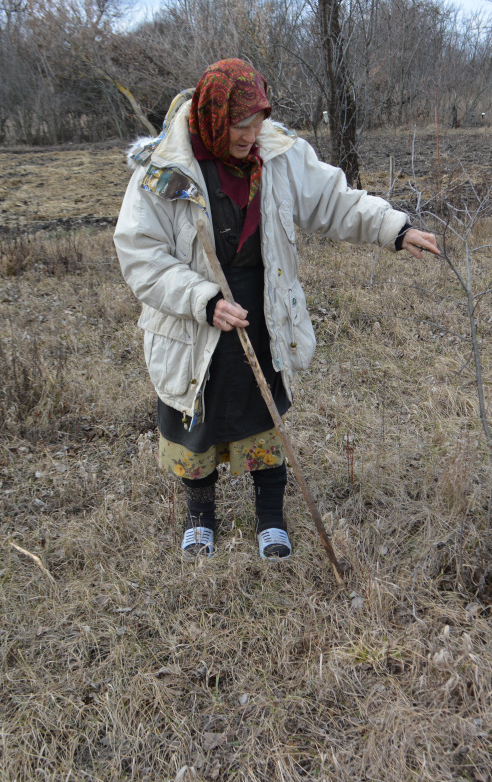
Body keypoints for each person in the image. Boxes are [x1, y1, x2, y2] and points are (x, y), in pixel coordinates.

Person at [114, 59, 439, 561]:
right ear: (216, 118)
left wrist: (392, 228)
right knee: (194, 419)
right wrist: (202, 300)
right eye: (240, 125)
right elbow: (141, 256)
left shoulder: (280, 154)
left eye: (257, 121)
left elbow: (336, 202)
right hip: (194, 315)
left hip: (263, 305)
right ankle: (200, 515)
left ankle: (271, 516)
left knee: (265, 412)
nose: (251, 135)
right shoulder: (164, 173)